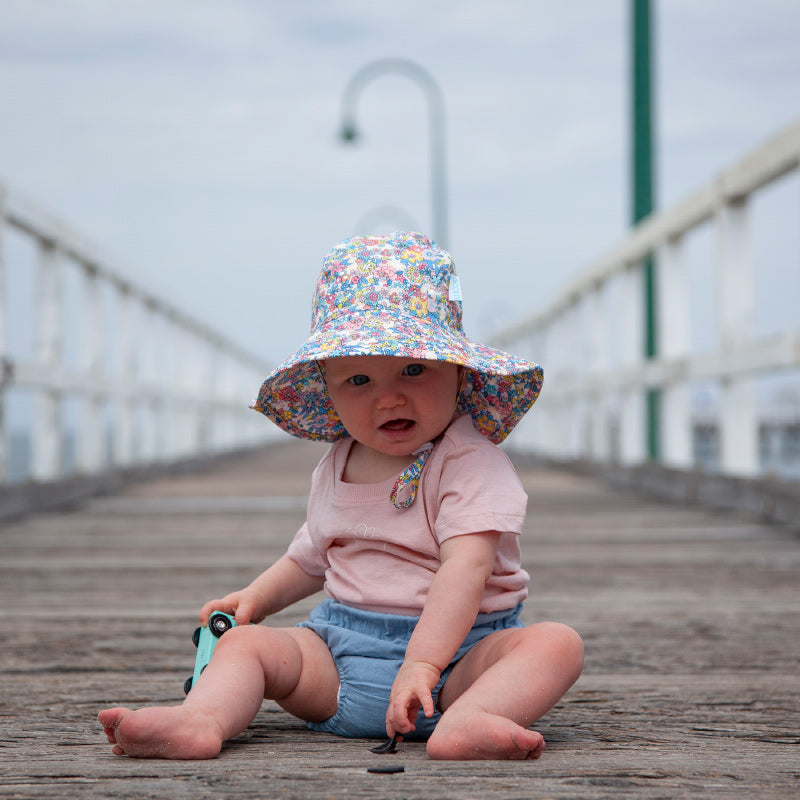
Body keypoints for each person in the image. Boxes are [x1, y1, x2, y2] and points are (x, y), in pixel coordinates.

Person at [98, 232, 583, 761]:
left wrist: (423, 664)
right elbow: (312, 554)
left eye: (414, 370)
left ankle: (472, 718)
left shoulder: (470, 462)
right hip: (340, 653)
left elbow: (465, 569)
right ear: (328, 390)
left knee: (555, 644)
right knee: (246, 646)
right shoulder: (338, 461)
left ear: (458, 373)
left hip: (458, 663)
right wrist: (256, 599)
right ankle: (201, 719)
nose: (389, 397)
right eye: (358, 380)